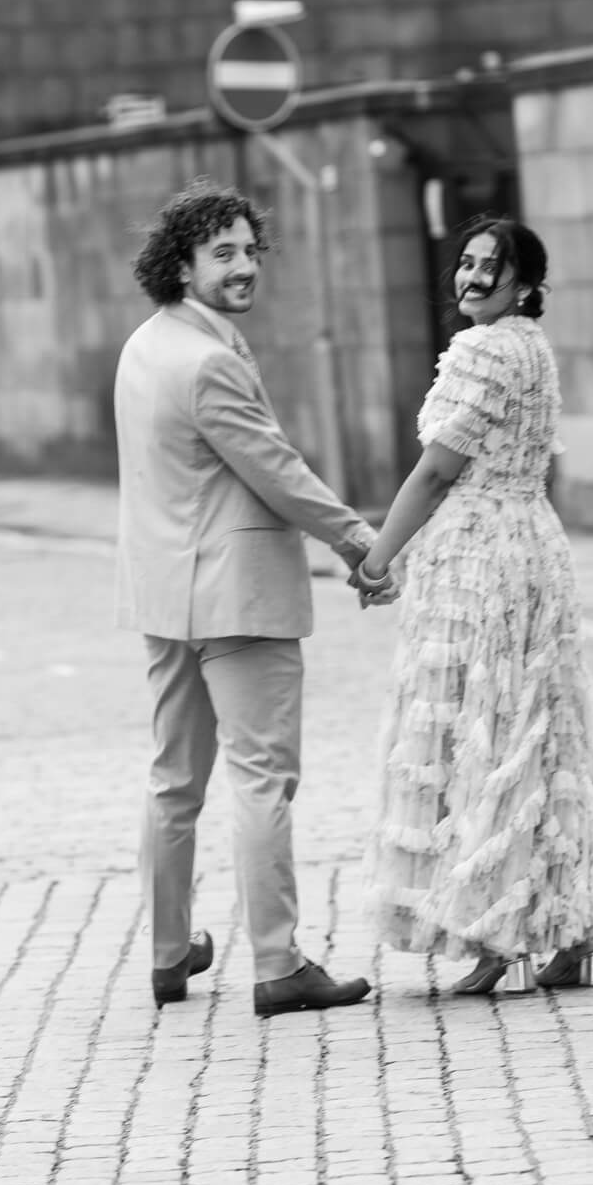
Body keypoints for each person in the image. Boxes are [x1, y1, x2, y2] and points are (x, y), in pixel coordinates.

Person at [115, 179, 393, 1020]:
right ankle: (278, 964)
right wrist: (359, 542)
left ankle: (170, 956)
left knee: (174, 783)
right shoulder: (207, 363)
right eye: (223, 254)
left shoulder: (144, 346)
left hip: (165, 593)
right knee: (263, 780)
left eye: (249, 251)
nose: (243, 267)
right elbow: (274, 470)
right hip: (234, 597)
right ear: (183, 265)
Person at [353, 214, 593, 994]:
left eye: (488, 268)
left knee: (482, 736)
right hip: (532, 545)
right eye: (463, 263)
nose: (469, 278)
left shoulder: (484, 349)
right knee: (537, 740)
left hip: (478, 564)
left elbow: (435, 472)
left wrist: (376, 554)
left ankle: (494, 935)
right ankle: (565, 934)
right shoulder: (531, 348)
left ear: (525, 285)